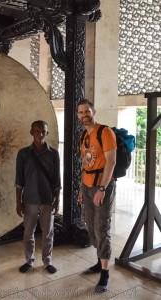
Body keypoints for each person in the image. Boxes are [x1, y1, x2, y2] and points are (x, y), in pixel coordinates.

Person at [77, 99, 117, 293]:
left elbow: (111, 162)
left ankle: (105, 273)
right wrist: (81, 189)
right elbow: (85, 164)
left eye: (87, 111)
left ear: (93, 111)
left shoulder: (105, 132)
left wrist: (102, 189)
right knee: (90, 226)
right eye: (80, 112)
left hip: (102, 187)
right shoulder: (84, 135)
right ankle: (99, 261)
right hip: (87, 186)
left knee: (102, 228)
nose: (84, 114)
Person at [15, 120, 61, 274]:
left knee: (48, 233)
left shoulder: (53, 154)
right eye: (37, 131)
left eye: (43, 131)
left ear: (47, 133)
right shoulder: (23, 154)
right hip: (29, 200)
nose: (40, 134)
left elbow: (57, 180)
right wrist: (18, 202)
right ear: (31, 132)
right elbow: (19, 181)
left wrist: (57, 200)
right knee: (28, 233)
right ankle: (29, 261)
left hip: (48, 200)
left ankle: (47, 261)